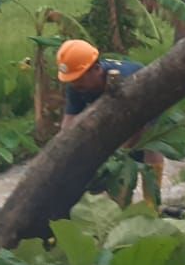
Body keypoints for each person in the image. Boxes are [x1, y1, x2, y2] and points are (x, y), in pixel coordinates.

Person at [57, 39, 165, 206]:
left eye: (78, 79)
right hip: (113, 113)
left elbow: (138, 126)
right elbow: (69, 122)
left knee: (149, 147)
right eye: (71, 80)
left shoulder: (125, 80)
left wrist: (119, 153)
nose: (74, 84)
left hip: (147, 103)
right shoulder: (77, 85)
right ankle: (119, 205)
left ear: (96, 69)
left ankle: (152, 204)